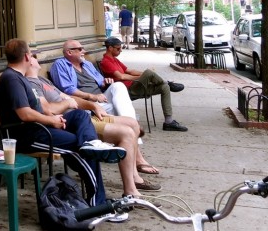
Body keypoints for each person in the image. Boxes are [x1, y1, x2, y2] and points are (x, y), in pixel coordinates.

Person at [0, 38, 126, 212]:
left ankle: (92, 144)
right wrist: (52, 120)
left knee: (79, 116)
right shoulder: (12, 79)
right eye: (33, 54)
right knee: (77, 146)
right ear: (27, 56)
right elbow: (25, 114)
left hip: (40, 127)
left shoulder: (20, 78)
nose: (35, 57)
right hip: (29, 135)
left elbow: (40, 108)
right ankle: (98, 202)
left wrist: (54, 116)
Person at [24, 55, 159, 194]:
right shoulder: (30, 83)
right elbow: (48, 109)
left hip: (85, 114)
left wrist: (93, 106)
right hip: (74, 122)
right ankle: (130, 189)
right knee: (127, 133)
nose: (36, 58)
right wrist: (68, 103)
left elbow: (70, 98)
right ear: (27, 62)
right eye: (32, 57)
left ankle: (135, 174)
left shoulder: (42, 80)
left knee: (133, 123)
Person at [50, 40, 160, 175]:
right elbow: (67, 89)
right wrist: (92, 97)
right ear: (69, 52)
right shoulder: (60, 65)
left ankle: (132, 128)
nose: (83, 51)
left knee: (118, 86)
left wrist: (106, 82)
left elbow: (101, 82)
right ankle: (138, 155)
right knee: (126, 119)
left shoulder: (87, 64)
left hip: (101, 97)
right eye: (80, 49)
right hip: (86, 103)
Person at [100, 36, 188, 132]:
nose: (121, 50)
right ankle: (167, 81)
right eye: (118, 48)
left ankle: (169, 122)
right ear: (110, 48)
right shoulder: (106, 62)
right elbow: (121, 77)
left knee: (164, 87)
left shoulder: (115, 60)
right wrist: (144, 76)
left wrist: (144, 75)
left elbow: (130, 71)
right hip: (128, 90)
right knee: (149, 73)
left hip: (136, 86)